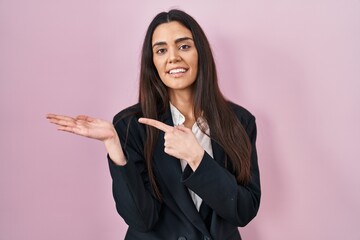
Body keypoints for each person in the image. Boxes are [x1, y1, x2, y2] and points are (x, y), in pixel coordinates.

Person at [46, 9, 260, 240]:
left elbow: (244, 210)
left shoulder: (239, 121)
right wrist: (114, 148)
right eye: (161, 50)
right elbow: (141, 219)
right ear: (153, 62)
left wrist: (197, 158)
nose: (173, 57)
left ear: (201, 53)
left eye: (184, 46)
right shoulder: (130, 125)